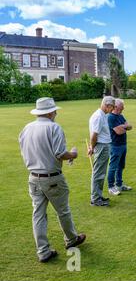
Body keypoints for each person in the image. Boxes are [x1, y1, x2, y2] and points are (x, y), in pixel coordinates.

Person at [19, 98, 86, 263]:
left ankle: (43, 251)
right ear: (49, 112)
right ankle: (71, 239)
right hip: (52, 177)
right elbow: (60, 154)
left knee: (38, 214)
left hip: (33, 177)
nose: (56, 113)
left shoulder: (26, 128)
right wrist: (73, 154)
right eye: (55, 110)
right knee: (62, 210)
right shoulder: (54, 127)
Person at [88, 96, 116, 206]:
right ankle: (95, 199)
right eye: (112, 107)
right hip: (101, 146)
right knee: (98, 173)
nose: (112, 109)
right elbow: (94, 135)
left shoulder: (103, 115)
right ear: (106, 105)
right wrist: (92, 147)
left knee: (101, 173)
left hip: (104, 146)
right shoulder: (98, 116)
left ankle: (98, 196)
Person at [107, 99, 133, 195]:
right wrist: (124, 127)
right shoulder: (111, 117)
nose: (123, 108)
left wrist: (123, 127)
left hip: (123, 144)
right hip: (115, 145)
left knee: (121, 166)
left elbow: (130, 126)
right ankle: (111, 187)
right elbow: (119, 132)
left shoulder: (120, 116)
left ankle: (119, 185)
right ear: (116, 107)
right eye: (122, 106)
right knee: (113, 167)